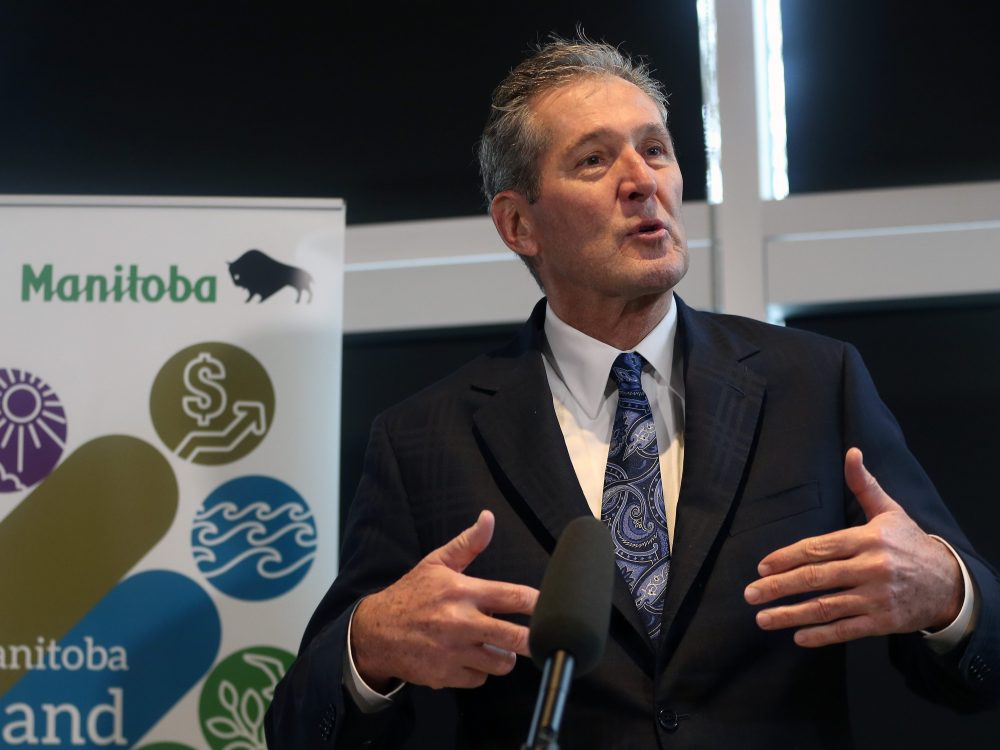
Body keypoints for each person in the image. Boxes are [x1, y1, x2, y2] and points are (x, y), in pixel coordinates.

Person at [265, 36, 999, 749]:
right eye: (593, 159)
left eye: (655, 149)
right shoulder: (426, 439)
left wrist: (947, 595)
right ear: (519, 224)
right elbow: (299, 729)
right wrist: (370, 646)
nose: (642, 180)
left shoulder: (815, 381)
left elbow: (982, 671)